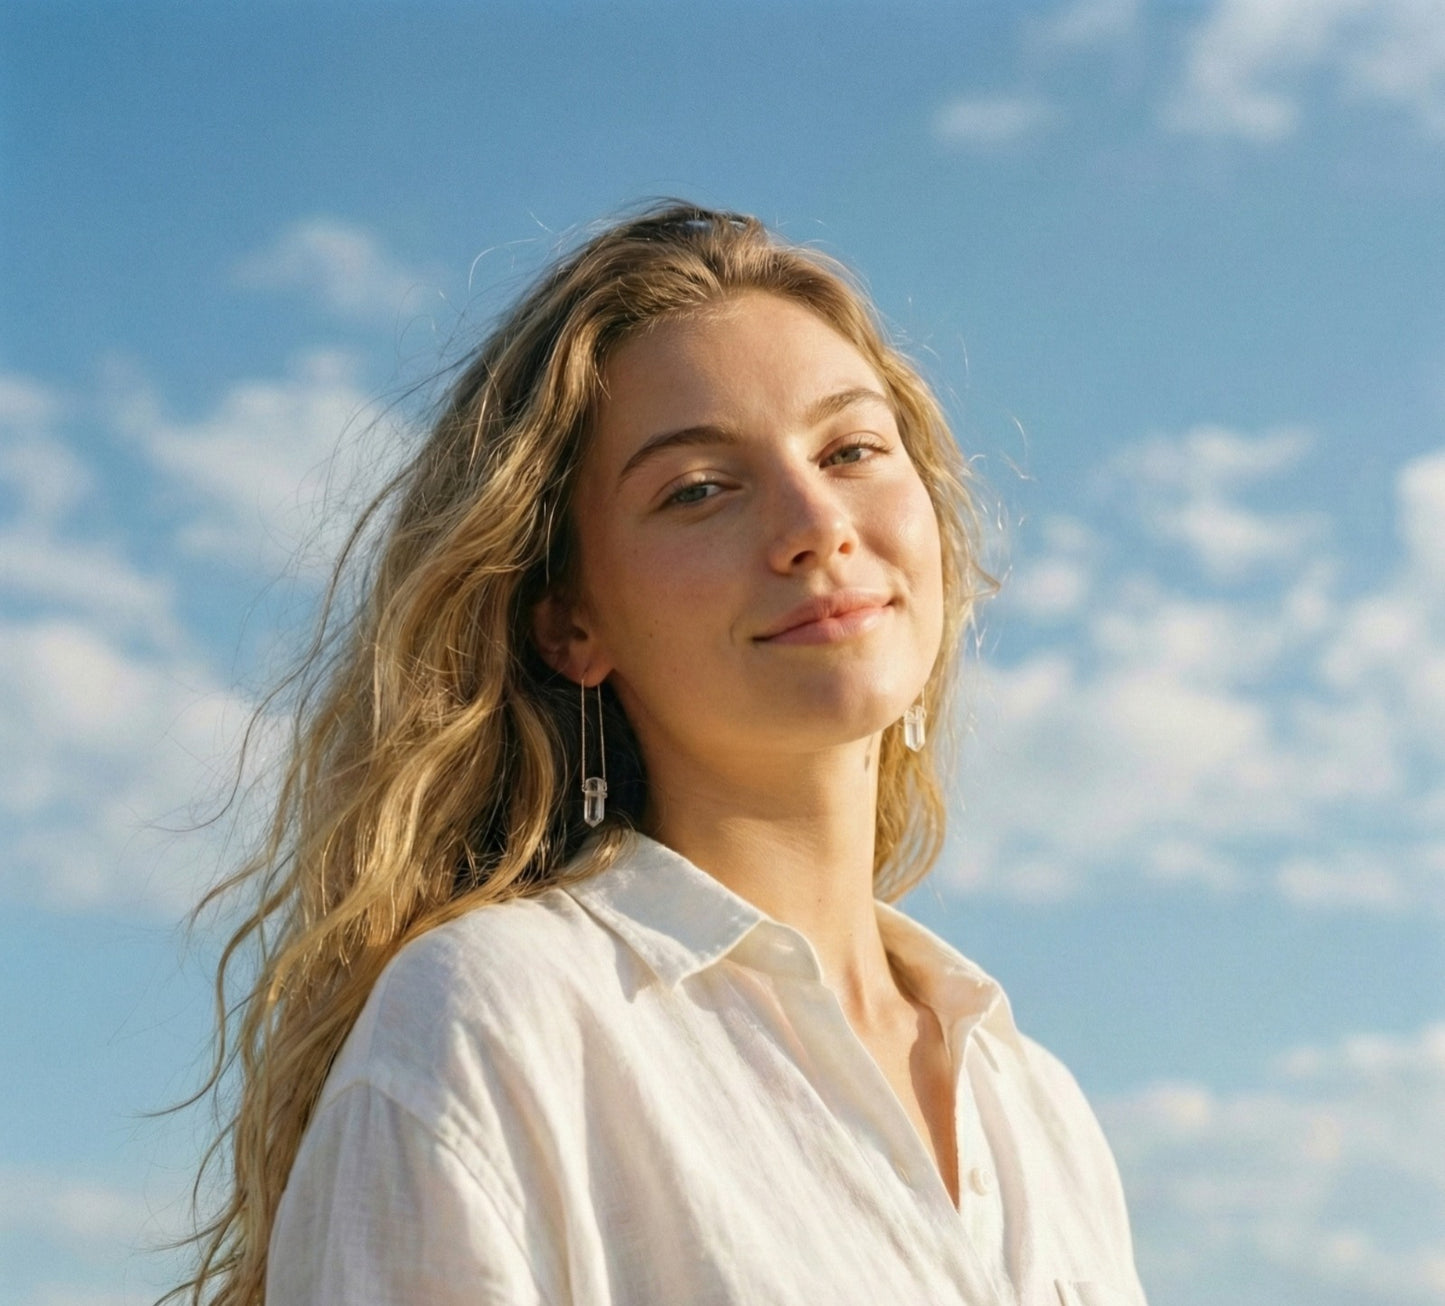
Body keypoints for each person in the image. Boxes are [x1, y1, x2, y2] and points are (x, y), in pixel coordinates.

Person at [174, 203, 1147, 1306]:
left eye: (851, 448)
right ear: (569, 623)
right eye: (697, 489)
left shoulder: (1033, 1104)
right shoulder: (495, 1023)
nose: (815, 520)